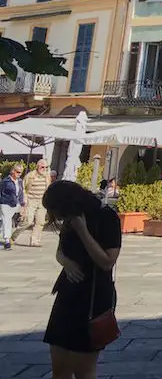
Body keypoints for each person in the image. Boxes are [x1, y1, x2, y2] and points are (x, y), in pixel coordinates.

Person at [42, 179, 122, 379]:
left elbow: (107, 262)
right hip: (67, 294)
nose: (54, 216)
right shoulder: (71, 217)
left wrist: (83, 231)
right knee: (59, 367)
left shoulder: (106, 217)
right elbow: (60, 252)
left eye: (54, 210)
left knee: (83, 370)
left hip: (93, 297)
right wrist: (66, 263)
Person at [13, 160, 50, 247]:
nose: (44, 169)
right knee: (28, 221)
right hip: (31, 201)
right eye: (42, 167)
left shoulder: (47, 176)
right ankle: (13, 236)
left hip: (42, 202)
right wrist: (24, 200)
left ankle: (34, 241)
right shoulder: (30, 176)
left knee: (40, 222)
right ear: (37, 167)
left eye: (46, 167)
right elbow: (23, 188)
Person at [1, 163, 26, 250]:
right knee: (7, 221)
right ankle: (7, 241)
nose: (19, 174)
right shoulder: (5, 181)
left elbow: (21, 193)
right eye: (18, 172)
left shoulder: (19, 181)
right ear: (13, 171)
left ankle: (9, 235)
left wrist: (22, 205)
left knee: (27, 219)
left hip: (16, 203)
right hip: (6, 203)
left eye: (21, 172)